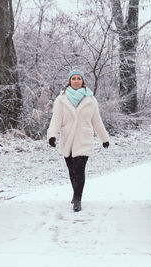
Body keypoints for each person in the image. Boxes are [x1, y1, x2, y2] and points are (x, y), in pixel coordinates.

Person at [47, 69, 109, 212]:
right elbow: (56, 119)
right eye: (73, 78)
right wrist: (52, 135)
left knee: (79, 170)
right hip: (67, 139)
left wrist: (104, 138)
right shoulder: (61, 99)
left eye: (78, 78)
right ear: (69, 81)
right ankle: (75, 194)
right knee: (72, 171)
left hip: (83, 139)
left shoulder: (91, 100)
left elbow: (97, 121)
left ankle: (78, 198)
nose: (76, 81)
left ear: (83, 81)